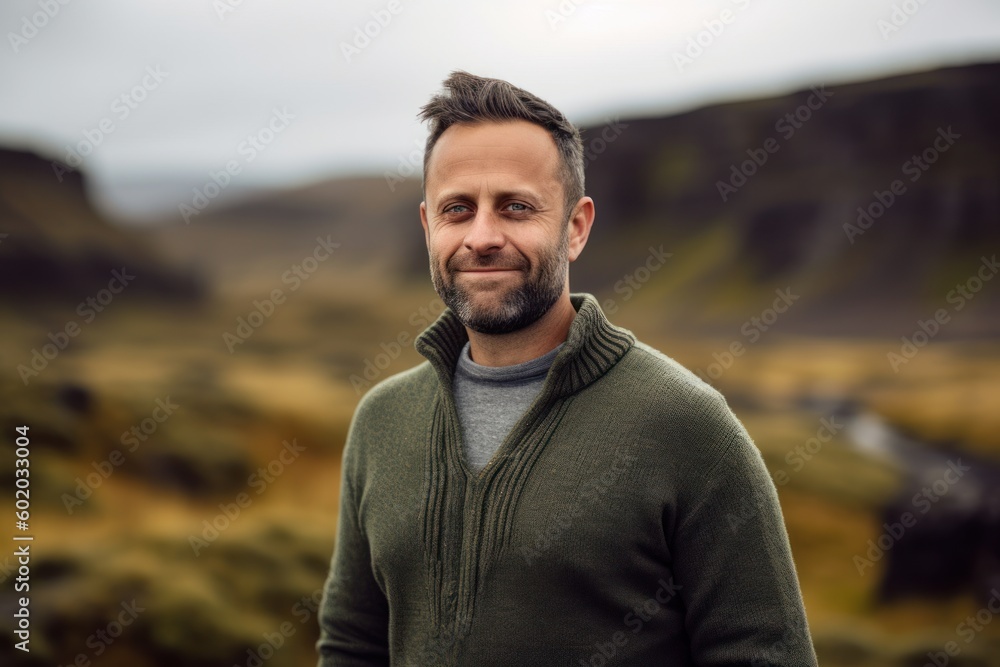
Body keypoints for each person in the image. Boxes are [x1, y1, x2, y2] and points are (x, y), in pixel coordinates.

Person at [316, 70, 818, 666]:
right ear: (429, 227)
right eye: (458, 209)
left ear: (575, 227)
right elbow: (351, 646)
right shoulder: (382, 421)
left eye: (516, 207)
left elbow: (764, 656)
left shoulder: (687, 425)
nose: (481, 236)